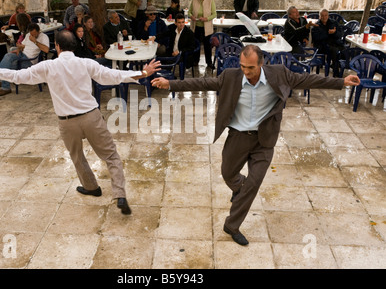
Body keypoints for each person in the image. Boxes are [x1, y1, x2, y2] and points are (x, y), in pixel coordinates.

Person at [151, 44, 360, 246]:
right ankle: (239, 190)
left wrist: (341, 81)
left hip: (264, 139)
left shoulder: (279, 74)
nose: (246, 71)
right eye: (243, 66)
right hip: (238, 135)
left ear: (261, 63)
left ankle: (232, 226)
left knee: (253, 183)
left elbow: (308, 79)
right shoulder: (231, 77)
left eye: (250, 67)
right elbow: (202, 83)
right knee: (228, 173)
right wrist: (171, 84)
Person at [0, 30, 161, 215]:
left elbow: (19, 77)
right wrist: (144, 73)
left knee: (77, 157)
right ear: (74, 46)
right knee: (111, 156)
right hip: (91, 117)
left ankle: (91, 187)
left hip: (67, 122)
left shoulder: (48, 66)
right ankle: (119, 195)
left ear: (57, 47)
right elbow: (114, 75)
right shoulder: (87, 63)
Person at [0, 21, 49, 96]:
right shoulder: (28, 35)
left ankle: (4, 85)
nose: (32, 36)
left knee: (9, 65)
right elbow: (24, 46)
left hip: (29, 60)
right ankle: (0, 80)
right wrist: (19, 48)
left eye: (34, 34)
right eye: (31, 34)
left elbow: (46, 50)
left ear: (38, 31)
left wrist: (35, 42)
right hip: (21, 54)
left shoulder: (44, 37)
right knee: (7, 56)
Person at [188, 0, 216, 69]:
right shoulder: (194, 0)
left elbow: (214, 14)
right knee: (196, 45)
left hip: (206, 28)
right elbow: (189, 12)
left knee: (207, 46)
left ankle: (209, 62)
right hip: (196, 26)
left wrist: (206, 18)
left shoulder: (210, 1)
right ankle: (195, 61)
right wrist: (191, 16)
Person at [312, 9, 345, 77]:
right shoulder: (316, 25)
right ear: (319, 16)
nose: (324, 17)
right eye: (322, 16)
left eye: (326, 15)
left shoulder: (334, 23)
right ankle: (336, 70)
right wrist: (328, 33)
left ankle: (337, 65)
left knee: (344, 49)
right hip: (322, 45)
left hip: (334, 43)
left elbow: (340, 34)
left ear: (328, 16)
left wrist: (335, 32)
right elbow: (316, 38)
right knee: (334, 50)